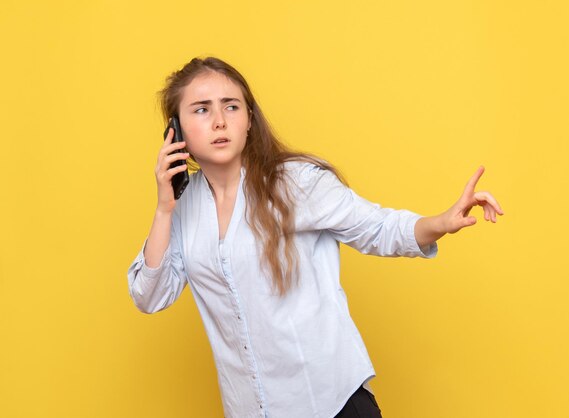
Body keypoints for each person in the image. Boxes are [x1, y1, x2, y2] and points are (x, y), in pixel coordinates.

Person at [127, 56, 504, 418]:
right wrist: (164, 208)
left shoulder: (294, 183)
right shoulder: (183, 207)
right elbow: (149, 296)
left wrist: (441, 220)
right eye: (202, 109)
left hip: (330, 402)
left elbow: (377, 227)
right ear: (174, 131)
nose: (220, 122)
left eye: (231, 107)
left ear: (249, 121)